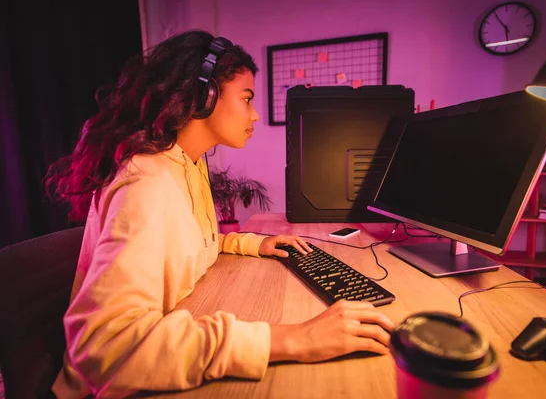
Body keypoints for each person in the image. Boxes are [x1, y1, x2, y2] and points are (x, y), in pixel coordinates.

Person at [45, 30, 394, 398]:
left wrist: (251, 244)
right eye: (246, 98)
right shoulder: (148, 182)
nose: (255, 114)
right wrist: (292, 338)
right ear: (203, 95)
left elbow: (187, 240)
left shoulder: (187, 164)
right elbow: (103, 348)